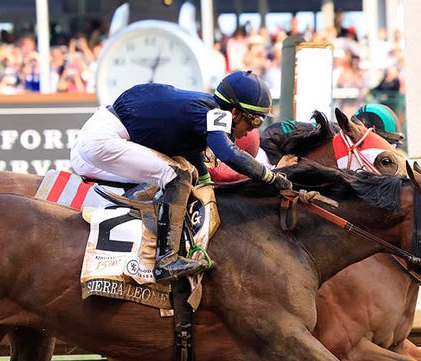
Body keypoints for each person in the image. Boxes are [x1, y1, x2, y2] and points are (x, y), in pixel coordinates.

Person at [70, 70, 290, 282]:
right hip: (102, 141)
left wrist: (206, 185)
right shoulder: (214, 113)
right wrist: (271, 178)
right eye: (254, 121)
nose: (251, 131)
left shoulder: (202, 109)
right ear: (234, 112)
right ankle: (166, 261)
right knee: (178, 176)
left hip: (93, 142)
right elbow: (228, 153)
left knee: (181, 173)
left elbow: (195, 159)